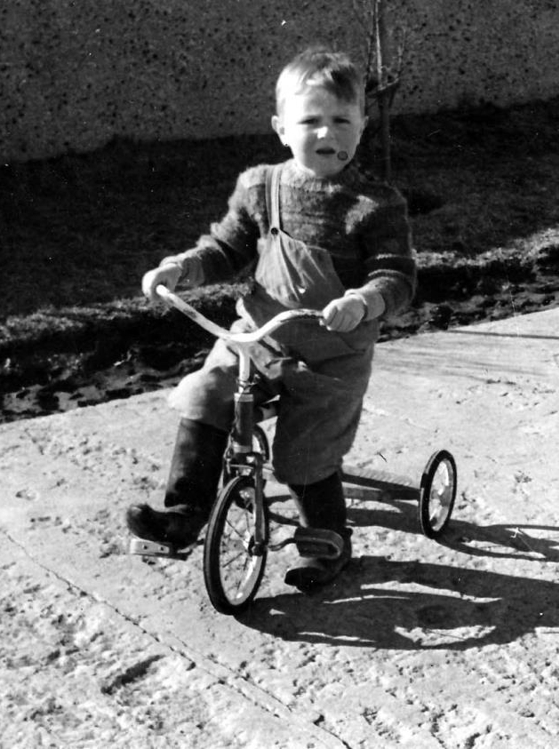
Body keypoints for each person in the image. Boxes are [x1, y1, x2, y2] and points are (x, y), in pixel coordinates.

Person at [127, 46, 416, 591]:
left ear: (362, 125)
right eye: (310, 121)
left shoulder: (374, 204)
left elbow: (395, 276)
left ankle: (326, 542)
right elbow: (226, 246)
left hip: (331, 353)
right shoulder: (263, 186)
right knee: (205, 394)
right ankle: (185, 514)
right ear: (282, 129)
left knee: (304, 454)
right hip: (258, 339)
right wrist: (182, 268)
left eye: (342, 120)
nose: (326, 132)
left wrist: (363, 301)